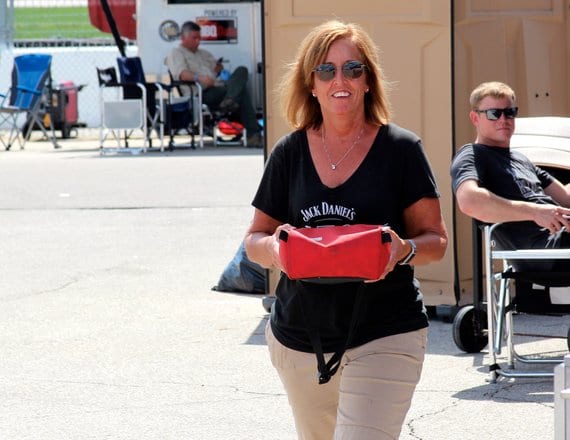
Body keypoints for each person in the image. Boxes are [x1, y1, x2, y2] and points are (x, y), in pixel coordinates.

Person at [244, 20, 448, 439]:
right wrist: (277, 252)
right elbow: (253, 240)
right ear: (312, 84)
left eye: (353, 69)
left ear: (368, 81)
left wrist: (401, 250)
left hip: (386, 332)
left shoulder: (401, 149)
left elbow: (436, 241)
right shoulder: (289, 152)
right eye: (326, 70)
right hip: (300, 336)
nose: (341, 80)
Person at [450, 81, 570, 271]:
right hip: (545, 251)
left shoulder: (522, 160)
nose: (503, 119)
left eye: (509, 112)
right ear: (475, 118)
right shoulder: (472, 154)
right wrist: (535, 212)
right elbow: (469, 201)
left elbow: (565, 197)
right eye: (494, 114)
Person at [165, 21, 263, 148]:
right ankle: (252, 134)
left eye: (199, 38)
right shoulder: (176, 53)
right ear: (183, 37)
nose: (198, 41)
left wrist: (218, 69)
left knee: (242, 70)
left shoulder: (204, 53)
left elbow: (216, 70)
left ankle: (229, 100)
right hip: (201, 92)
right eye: (194, 38)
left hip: (218, 88)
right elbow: (181, 74)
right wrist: (199, 78)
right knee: (242, 93)